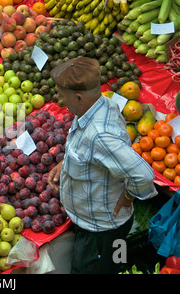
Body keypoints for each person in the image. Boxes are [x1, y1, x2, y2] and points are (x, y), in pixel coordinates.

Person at [47, 57, 157, 274]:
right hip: (95, 222)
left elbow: (144, 175)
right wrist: (66, 162)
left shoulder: (100, 135)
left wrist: (129, 195)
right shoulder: (103, 104)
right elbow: (92, 152)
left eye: (62, 96)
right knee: (113, 261)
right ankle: (117, 265)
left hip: (101, 230)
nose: (59, 101)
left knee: (89, 269)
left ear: (79, 97)